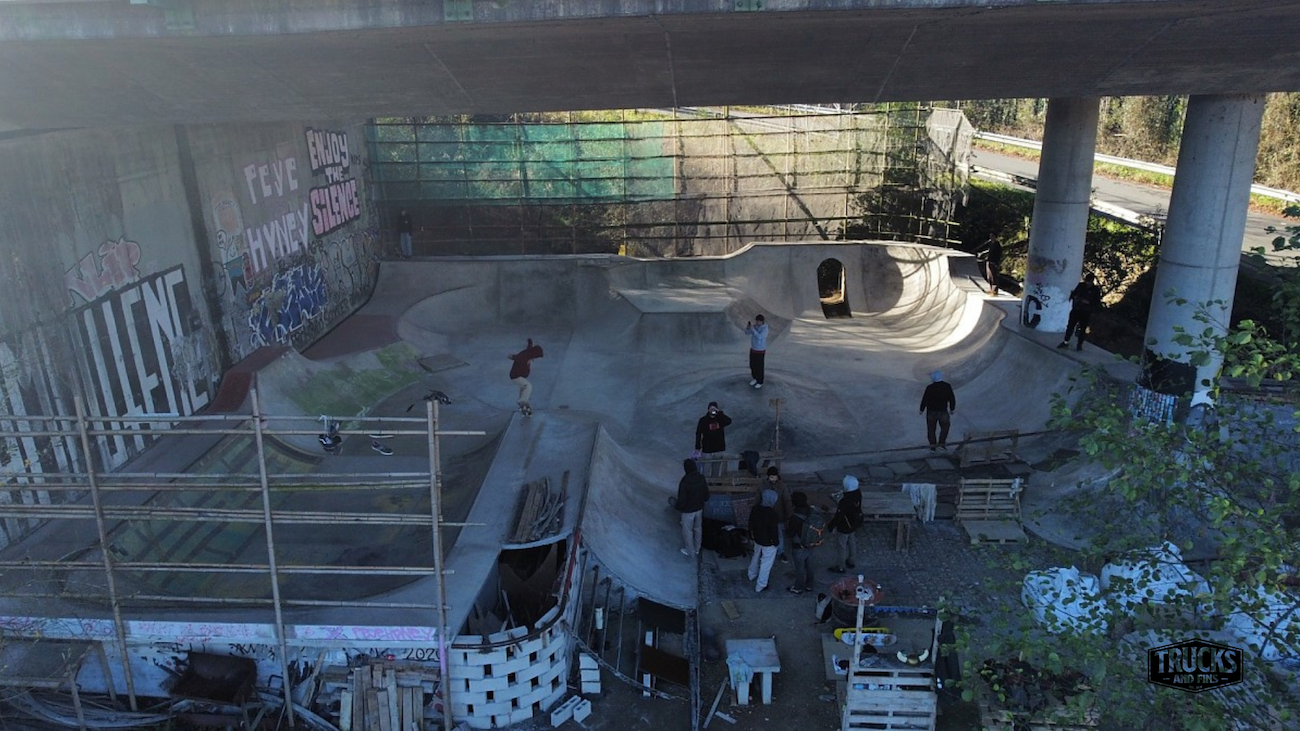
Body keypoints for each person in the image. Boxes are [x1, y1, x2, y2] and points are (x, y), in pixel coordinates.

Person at [747, 489, 781, 593]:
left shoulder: (755, 509)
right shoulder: (772, 514)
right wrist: (776, 543)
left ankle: (751, 574)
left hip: (757, 539)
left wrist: (751, 536)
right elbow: (774, 531)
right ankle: (761, 585)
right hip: (769, 542)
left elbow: (750, 524)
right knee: (766, 564)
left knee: (755, 556)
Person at [785, 491, 819, 594]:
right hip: (811, 543)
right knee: (810, 565)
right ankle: (809, 584)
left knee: (799, 568)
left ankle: (798, 587)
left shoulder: (795, 517)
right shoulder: (811, 511)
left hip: (799, 546)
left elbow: (790, 534)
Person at [1058, 272, 1102, 351]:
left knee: (1082, 329)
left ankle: (1079, 345)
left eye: (1089, 281)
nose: (1087, 283)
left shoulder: (1095, 290)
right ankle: (1065, 342)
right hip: (1076, 309)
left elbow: (1097, 302)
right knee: (1070, 327)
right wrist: (1076, 298)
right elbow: (1074, 294)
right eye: (1086, 281)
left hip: (1086, 312)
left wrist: (1088, 302)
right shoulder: (1081, 286)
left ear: (1092, 281)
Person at [675, 458, 710, 557]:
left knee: (687, 531)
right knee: (698, 528)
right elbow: (707, 495)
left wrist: (677, 507)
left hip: (688, 511)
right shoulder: (701, 477)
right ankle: (697, 548)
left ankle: (690, 551)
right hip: (699, 509)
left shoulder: (685, 481)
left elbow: (682, 500)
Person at [828, 475, 863, 574]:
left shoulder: (845, 501)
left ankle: (840, 566)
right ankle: (852, 561)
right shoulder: (858, 494)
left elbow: (839, 515)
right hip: (854, 523)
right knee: (852, 541)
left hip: (844, 526)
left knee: (841, 546)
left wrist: (830, 526)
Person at [919, 370, 956, 452]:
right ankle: (941, 444)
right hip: (943, 412)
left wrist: (921, 409)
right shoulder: (947, 386)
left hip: (931, 412)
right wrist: (952, 409)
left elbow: (924, 399)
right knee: (945, 427)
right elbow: (952, 398)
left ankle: (933, 447)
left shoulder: (929, 388)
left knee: (931, 429)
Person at [508, 338, 544, 416]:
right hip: (516, 376)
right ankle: (522, 401)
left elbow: (529, 347)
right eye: (536, 357)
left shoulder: (529, 352)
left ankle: (523, 405)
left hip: (518, 375)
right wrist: (512, 356)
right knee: (528, 386)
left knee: (523, 388)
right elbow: (518, 357)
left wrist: (530, 342)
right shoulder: (524, 357)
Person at [694, 401, 732, 477]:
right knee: (706, 471)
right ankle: (706, 484)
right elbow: (698, 433)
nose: (713, 410)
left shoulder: (720, 419)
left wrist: (720, 413)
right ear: (708, 410)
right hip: (707, 450)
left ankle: (714, 484)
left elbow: (729, 421)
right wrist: (697, 447)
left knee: (716, 471)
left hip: (718, 449)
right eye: (711, 408)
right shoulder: (703, 420)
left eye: (714, 409)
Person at [744, 314, 769, 389]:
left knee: (759, 366)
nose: (757, 323)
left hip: (760, 350)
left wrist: (753, 329)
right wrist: (748, 328)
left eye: (759, 321)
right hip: (753, 348)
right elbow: (747, 333)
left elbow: (760, 337)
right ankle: (755, 378)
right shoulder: (755, 326)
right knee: (752, 365)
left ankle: (760, 381)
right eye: (757, 321)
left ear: (762, 321)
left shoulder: (765, 328)